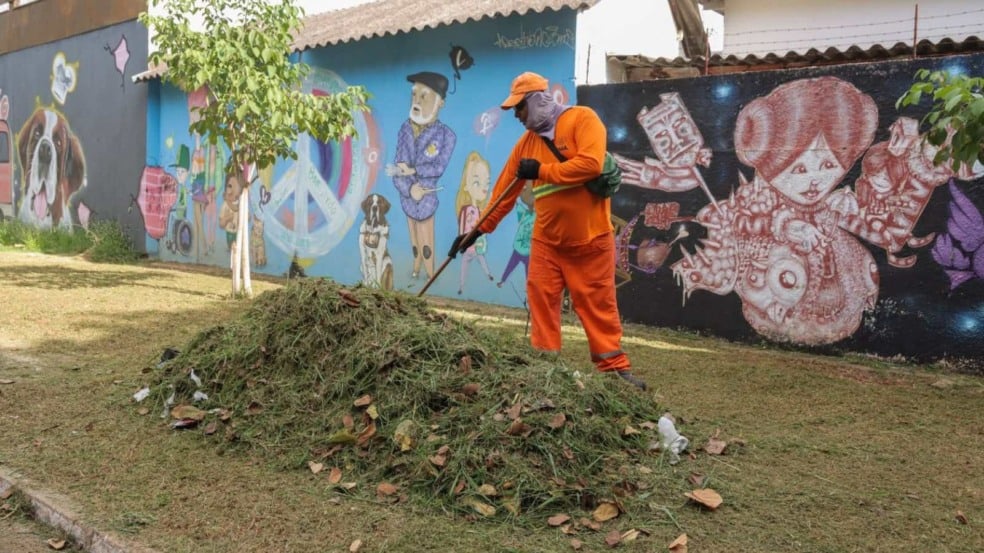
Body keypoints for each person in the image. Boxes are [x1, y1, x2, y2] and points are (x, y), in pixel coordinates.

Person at [449, 71, 646, 391]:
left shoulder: (583, 120)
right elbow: (502, 194)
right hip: (546, 244)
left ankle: (614, 370)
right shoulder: (525, 146)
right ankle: (545, 368)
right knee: (540, 300)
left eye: (519, 108)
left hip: (591, 239)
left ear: (537, 101)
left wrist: (541, 171)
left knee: (598, 305)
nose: (516, 115)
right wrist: (475, 232)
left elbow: (591, 165)